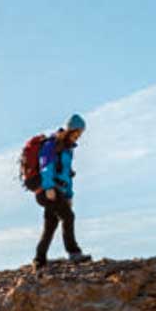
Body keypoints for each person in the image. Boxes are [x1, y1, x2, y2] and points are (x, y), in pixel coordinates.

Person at [34, 114, 92, 268]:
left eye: (80, 134)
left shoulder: (68, 150)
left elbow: (67, 175)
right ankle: (74, 253)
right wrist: (48, 187)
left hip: (59, 190)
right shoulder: (52, 144)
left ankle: (39, 260)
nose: (78, 137)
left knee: (51, 224)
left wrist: (69, 195)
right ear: (70, 130)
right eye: (77, 133)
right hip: (48, 190)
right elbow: (45, 165)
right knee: (68, 217)